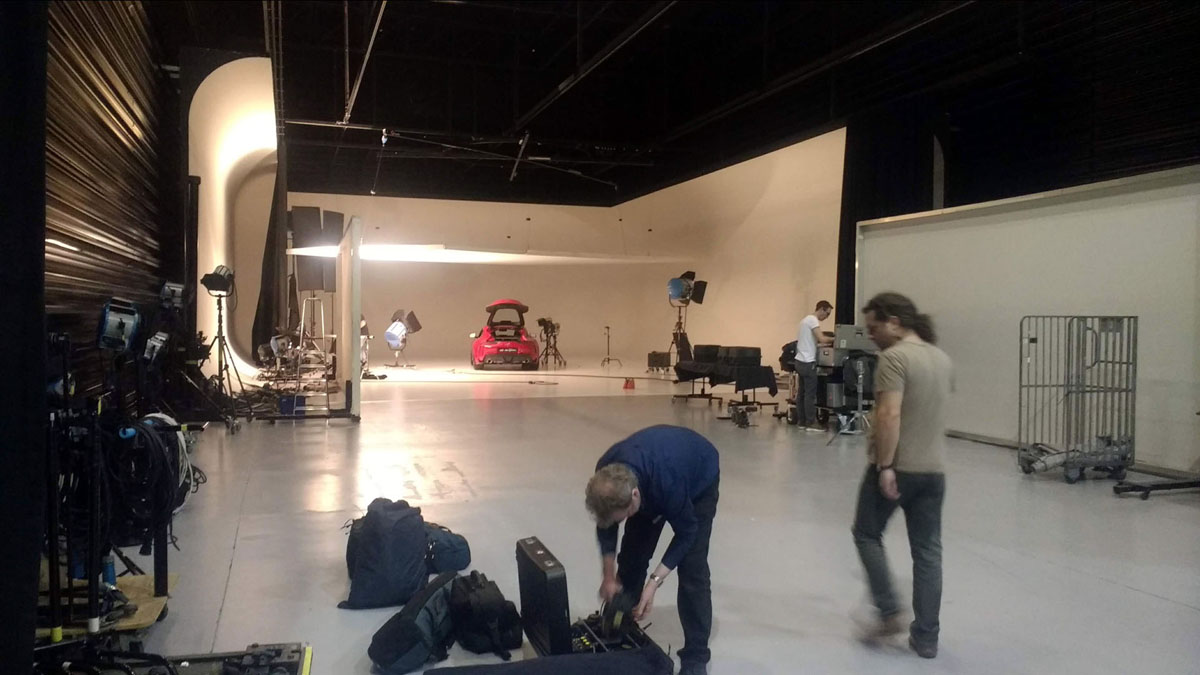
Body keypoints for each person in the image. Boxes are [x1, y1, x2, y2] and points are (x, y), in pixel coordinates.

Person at [851, 292, 952, 659]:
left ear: (894, 322)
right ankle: (926, 637)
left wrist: (886, 465)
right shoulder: (940, 358)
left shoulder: (894, 358)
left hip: (899, 468)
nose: (872, 336)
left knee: (866, 533)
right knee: (927, 552)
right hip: (934, 472)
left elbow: (889, 415)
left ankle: (889, 608)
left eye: (874, 328)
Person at [586, 425, 720, 675]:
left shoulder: (667, 481)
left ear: (635, 496)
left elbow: (687, 532)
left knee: (693, 570)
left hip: (698, 477)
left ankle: (696, 656)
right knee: (632, 557)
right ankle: (621, 622)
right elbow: (607, 523)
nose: (624, 520)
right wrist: (608, 576)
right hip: (654, 479)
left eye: (625, 515)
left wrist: (653, 583)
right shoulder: (606, 474)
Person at [794, 300, 834, 431]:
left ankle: (802, 421)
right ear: (821, 309)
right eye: (827, 314)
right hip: (808, 362)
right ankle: (811, 423)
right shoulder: (813, 320)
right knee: (810, 394)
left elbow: (810, 342)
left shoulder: (804, 320)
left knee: (802, 393)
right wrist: (836, 339)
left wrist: (820, 346)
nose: (826, 317)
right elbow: (822, 338)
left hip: (799, 361)